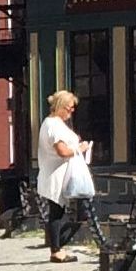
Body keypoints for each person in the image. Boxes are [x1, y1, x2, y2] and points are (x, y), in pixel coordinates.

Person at [38, 91, 97, 262]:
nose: (71, 112)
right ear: (61, 107)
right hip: (57, 175)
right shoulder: (54, 125)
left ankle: (58, 246)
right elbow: (62, 151)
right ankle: (56, 250)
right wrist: (80, 149)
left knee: (58, 211)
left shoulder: (53, 124)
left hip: (58, 173)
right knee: (56, 211)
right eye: (70, 109)